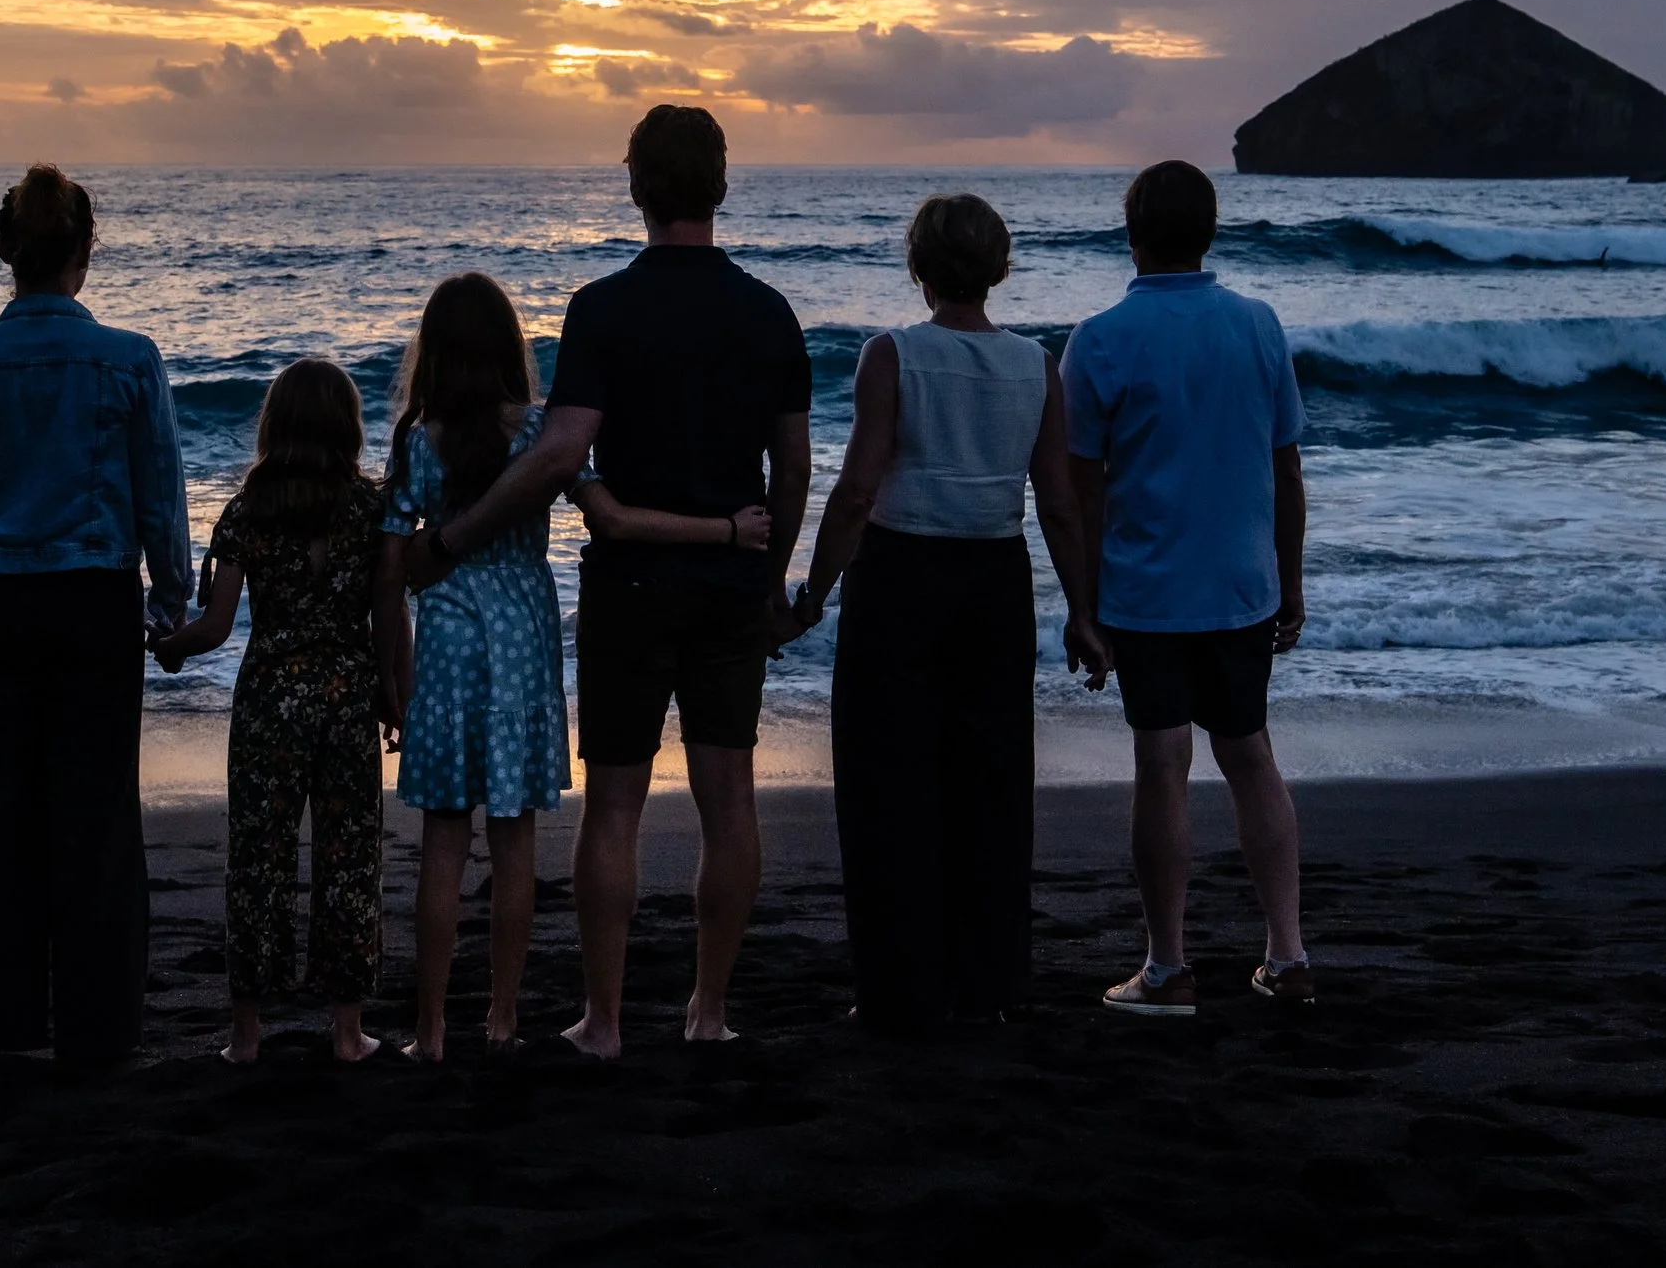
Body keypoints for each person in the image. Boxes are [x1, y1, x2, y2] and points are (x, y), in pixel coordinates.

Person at [403, 106, 811, 1058]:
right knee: (729, 797)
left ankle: (606, 1018)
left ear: (636, 188)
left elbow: (561, 454)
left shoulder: (603, 308)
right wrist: (775, 572)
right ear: (720, 183)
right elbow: (792, 465)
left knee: (617, 802)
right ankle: (709, 1010)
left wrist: (453, 538)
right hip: (727, 579)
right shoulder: (767, 311)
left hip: (631, 585)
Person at [789, 194, 1107, 1032]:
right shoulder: (1036, 364)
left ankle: (898, 987)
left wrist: (815, 590)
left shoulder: (891, 356)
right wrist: (1083, 610)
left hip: (900, 577)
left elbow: (857, 491)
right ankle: (990, 981)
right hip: (995, 582)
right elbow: (1061, 504)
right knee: (991, 785)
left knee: (886, 784)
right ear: (997, 269)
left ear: (918, 267)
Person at [0, 164, 190, 1065]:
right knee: (98, 820)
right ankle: (99, 1029)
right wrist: (171, 599)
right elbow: (160, 493)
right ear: (84, 252)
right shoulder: (129, 358)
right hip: (91, 604)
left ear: (7, 253)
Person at [1059, 160, 1314, 1012]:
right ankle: (1286, 952)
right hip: (1244, 580)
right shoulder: (1257, 324)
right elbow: (1286, 468)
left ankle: (1167, 965)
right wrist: (1292, 579)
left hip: (1147, 587)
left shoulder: (1098, 338)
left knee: (1161, 764)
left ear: (1130, 234)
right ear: (1209, 232)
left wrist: (1082, 603)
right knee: (1251, 755)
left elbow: (1081, 487)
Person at [152, 358, 388, 1065]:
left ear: (274, 425)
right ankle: (348, 1032)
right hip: (347, 695)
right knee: (350, 860)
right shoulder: (371, 509)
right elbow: (385, 614)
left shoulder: (247, 509)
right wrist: (395, 693)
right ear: (347, 427)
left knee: (257, 859)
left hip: (269, 703)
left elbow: (218, 625)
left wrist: (169, 646)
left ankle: (246, 1035)